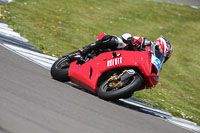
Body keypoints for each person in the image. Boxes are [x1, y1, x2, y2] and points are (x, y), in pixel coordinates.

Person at [68, 33, 172, 63]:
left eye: (164, 58)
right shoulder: (145, 43)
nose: (160, 58)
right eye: (160, 54)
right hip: (116, 53)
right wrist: (132, 40)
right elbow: (125, 35)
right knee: (114, 40)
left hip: (123, 63)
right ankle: (82, 52)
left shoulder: (151, 64)